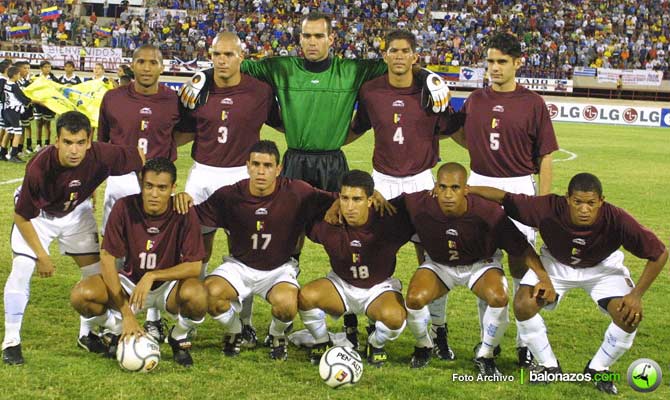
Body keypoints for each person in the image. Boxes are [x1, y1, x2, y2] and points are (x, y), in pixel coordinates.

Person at [179, 11, 449, 194]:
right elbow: (233, 62)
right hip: (295, 158)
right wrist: (205, 73)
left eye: (319, 36)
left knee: (339, 227)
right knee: (289, 230)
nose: (312, 41)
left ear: (331, 39)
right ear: (299, 38)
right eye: (307, 36)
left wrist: (427, 75)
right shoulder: (281, 68)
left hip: (333, 161)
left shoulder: (352, 70)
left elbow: (397, 62)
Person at [468, 173, 668, 394]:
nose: (584, 209)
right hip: (556, 264)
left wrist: (636, 295)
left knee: (629, 317)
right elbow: (504, 198)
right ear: (567, 199)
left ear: (602, 201)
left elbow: (659, 253)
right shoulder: (547, 208)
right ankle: (548, 365)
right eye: (578, 202)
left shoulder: (617, 219)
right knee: (523, 304)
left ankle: (598, 368)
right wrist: (467, 189)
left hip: (602, 269)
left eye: (591, 203)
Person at [429, 32, 559, 367]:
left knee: (521, 264)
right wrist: (477, 148)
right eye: (490, 61)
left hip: (517, 187)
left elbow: (545, 157)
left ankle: (524, 341)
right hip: (479, 183)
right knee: (485, 262)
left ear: (518, 63)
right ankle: (489, 340)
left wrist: (542, 205)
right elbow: (460, 133)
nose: (495, 68)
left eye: (502, 62)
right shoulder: (475, 100)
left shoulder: (533, 103)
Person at [346, 29, 461, 352]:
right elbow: (356, 128)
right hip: (382, 182)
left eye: (404, 51)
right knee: (371, 251)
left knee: (434, 257)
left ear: (414, 56)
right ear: (385, 56)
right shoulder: (371, 91)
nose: (398, 56)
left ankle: (438, 330)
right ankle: (370, 319)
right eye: (392, 50)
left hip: (422, 182)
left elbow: (454, 129)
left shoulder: (429, 92)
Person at [2, 111, 144, 365]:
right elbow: (22, 217)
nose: (74, 150)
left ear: (89, 141)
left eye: (80, 142)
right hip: (38, 217)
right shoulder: (39, 167)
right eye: (67, 142)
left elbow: (140, 158)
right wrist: (43, 257)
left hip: (76, 214)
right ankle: (11, 341)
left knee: (97, 280)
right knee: (22, 269)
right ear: (56, 140)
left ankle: (87, 335)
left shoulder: (103, 154)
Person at [174, 140, 338, 361]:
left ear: (278, 169)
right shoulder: (230, 196)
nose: (261, 171)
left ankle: (276, 334)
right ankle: (236, 331)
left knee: (287, 306)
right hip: (239, 266)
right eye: (256, 164)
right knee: (210, 296)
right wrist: (179, 200)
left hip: (278, 269)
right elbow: (194, 216)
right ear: (247, 166)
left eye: (268, 165)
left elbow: (338, 199)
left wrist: (370, 195)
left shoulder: (298, 191)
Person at [398, 163, 554, 376]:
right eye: (442, 187)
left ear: (466, 189)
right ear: (435, 187)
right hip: (439, 265)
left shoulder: (487, 211)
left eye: (455, 188)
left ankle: (486, 354)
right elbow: (384, 208)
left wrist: (543, 277)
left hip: (480, 265)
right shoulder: (418, 203)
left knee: (499, 297)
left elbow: (522, 247)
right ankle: (424, 345)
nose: (448, 194)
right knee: (414, 298)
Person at [177, 32, 280, 349]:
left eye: (229, 55)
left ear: (241, 57)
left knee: (244, 253)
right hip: (202, 175)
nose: (222, 60)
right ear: (210, 55)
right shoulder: (199, 88)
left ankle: (245, 324)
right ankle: (190, 319)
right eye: (217, 54)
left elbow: (282, 122)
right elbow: (181, 129)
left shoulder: (260, 91)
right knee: (196, 250)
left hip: (240, 174)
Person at [70, 158, 207, 367]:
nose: (154, 194)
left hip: (166, 289)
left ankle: (178, 336)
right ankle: (116, 329)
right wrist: (126, 315)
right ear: (141, 183)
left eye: (162, 188)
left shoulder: (184, 212)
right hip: (131, 285)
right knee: (82, 295)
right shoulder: (124, 207)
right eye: (149, 186)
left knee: (198, 295)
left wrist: (152, 276)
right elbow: (107, 259)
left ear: (173, 188)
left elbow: (195, 266)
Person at [98, 44, 183, 342]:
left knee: (157, 248)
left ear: (163, 66)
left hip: (158, 182)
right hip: (120, 181)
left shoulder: (173, 100)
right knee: (115, 252)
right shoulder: (112, 98)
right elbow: (103, 143)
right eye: (141, 62)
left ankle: (153, 316)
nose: (147, 68)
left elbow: (184, 133)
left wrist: (164, 154)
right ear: (131, 65)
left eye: (153, 62)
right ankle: (115, 316)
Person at [299, 170, 412, 367]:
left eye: (357, 199)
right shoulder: (329, 221)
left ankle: (375, 343)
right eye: (345, 198)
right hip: (341, 285)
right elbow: (305, 199)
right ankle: (322, 341)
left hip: (378, 289)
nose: (349, 207)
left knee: (395, 318)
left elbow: (420, 203)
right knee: (305, 296)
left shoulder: (390, 218)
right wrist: (334, 203)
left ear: (370, 200)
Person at [1, 66, 31, 163]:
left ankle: (2, 153)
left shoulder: (7, 84)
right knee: (18, 132)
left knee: (9, 131)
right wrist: (29, 101)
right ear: (14, 75)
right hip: (13, 112)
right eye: (18, 74)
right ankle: (13, 155)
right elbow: (21, 98)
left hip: (6, 110)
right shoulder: (14, 85)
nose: (19, 76)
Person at [34, 61, 59, 150]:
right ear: (41, 68)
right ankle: (38, 144)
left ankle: (46, 144)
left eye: (49, 67)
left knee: (47, 125)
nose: (48, 69)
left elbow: (57, 91)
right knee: (38, 124)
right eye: (45, 67)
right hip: (37, 104)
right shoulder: (35, 78)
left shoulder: (54, 79)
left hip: (48, 106)